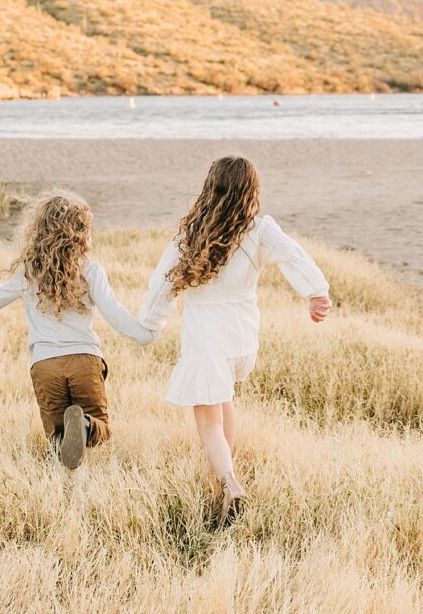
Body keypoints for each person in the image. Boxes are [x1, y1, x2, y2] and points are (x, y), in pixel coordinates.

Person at [138, 156, 331, 524]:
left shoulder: (191, 233)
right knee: (223, 398)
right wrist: (316, 292)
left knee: (208, 420)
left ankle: (229, 483)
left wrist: (151, 322)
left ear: (210, 188)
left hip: (205, 337)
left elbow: (162, 282)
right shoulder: (259, 229)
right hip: (241, 335)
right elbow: (293, 254)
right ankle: (224, 474)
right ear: (251, 191)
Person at [0, 191, 154, 468]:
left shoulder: (27, 273)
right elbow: (114, 312)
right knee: (101, 428)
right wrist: (143, 334)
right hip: (85, 361)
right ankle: (83, 425)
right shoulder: (91, 272)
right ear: (81, 236)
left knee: (58, 439)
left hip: (44, 365)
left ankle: (68, 463)